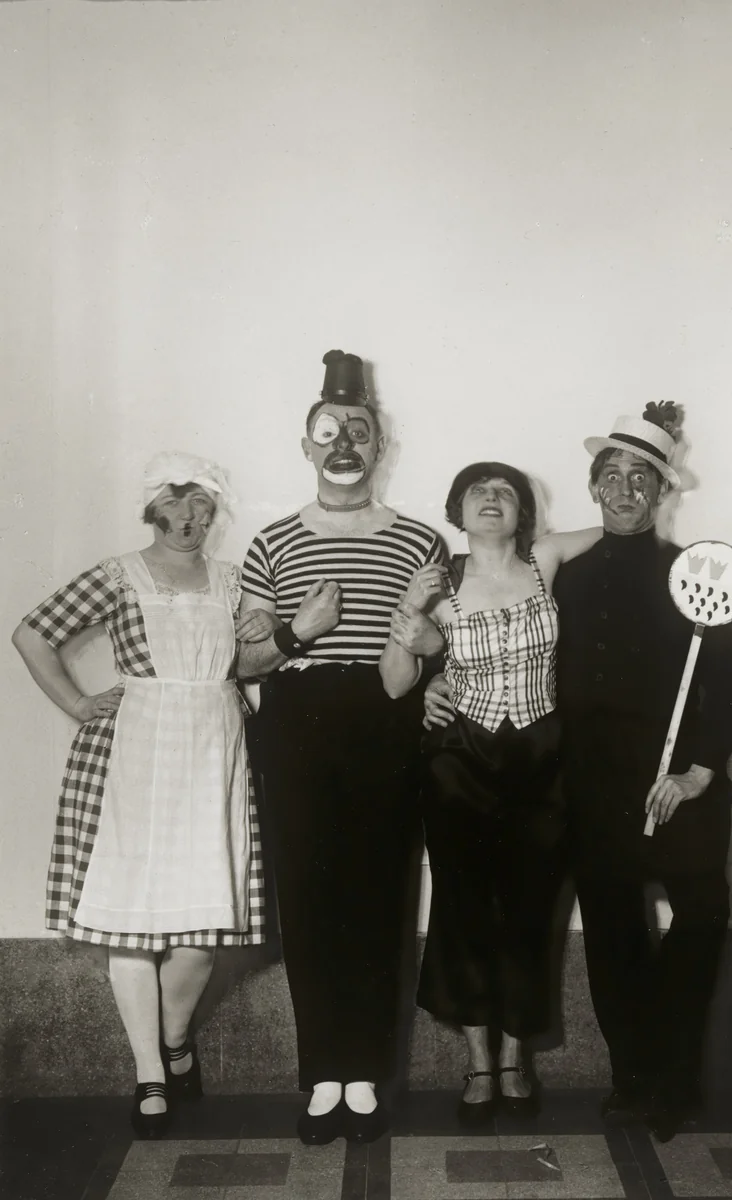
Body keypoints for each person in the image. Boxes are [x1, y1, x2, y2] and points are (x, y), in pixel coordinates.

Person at [426, 407, 732, 1143]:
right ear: (593, 486)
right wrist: (433, 687)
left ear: (661, 490)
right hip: (592, 789)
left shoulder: (693, 576)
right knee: (611, 935)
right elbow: (490, 639)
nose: (625, 489)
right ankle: (631, 1080)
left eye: (641, 478)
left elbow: (726, 688)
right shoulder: (560, 572)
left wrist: (697, 772)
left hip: (680, 787)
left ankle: (675, 1077)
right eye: (612, 476)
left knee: (699, 919)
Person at [12, 453, 272, 1138]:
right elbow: (31, 633)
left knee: (199, 932)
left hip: (214, 750)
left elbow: (251, 661)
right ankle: (149, 1072)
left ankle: (177, 1039)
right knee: (128, 922)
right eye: (176, 506)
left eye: (202, 508)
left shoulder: (233, 580)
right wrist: (74, 701)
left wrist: (262, 630)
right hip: (134, 751)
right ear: (152, 510)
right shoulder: (117, 574)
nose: (189, 519)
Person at [238, 350, 445, 1145]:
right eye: (329, 433)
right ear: (307, 446)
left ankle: (365, 1077)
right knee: (309, 894)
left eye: (358, 431)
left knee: (380, 890)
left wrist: (425, 652)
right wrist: (297, 632)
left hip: (383, 718)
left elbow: (437, 643)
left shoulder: (420, 540)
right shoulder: (273, 541)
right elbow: (244, 660)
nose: (344, 446)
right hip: (296, 721)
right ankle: (323, 1077)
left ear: (379, 444)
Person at [381, 461, 601, 1124]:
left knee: (531, 910)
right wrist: (409, 616)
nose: (490, 499)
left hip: (541, 761)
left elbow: (623, 529)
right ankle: (478, 1064)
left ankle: (515, 1060)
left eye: (504, 491)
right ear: (456, 507)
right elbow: (394, 682)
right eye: (476, 491)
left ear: (522, 510)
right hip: (461, 763)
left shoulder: (546, 558)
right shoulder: (438, 577)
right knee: (465, 908)